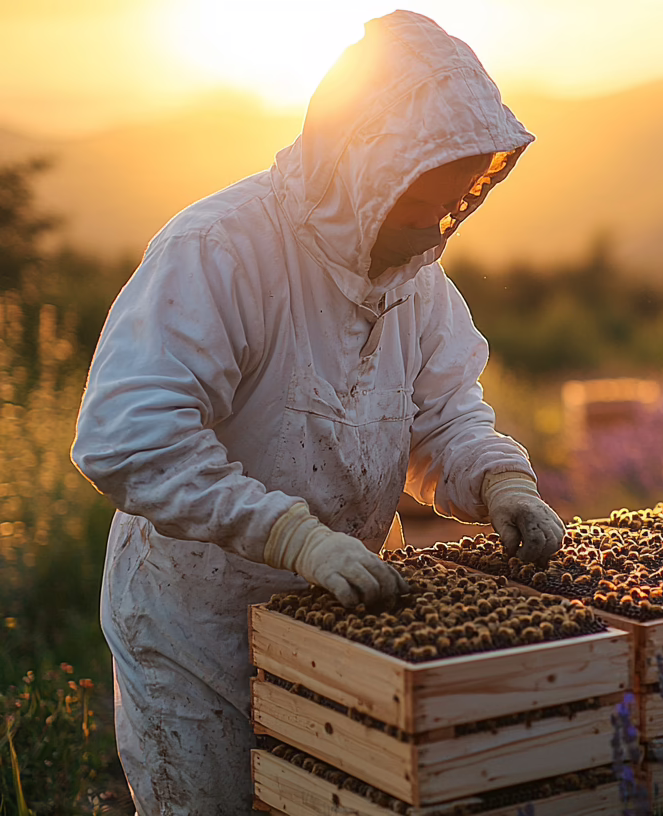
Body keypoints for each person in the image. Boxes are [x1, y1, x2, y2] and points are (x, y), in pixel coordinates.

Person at [70, 11, 565, 814]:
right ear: (366, 163)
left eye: (456, 196)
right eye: (423, 193)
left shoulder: (418, 283)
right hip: (199, 635)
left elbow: (442, 418)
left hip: (340, 621)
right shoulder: (222, 251)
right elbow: (129, 439)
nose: (440, 219)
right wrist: (290, 535)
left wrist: (500, 479)